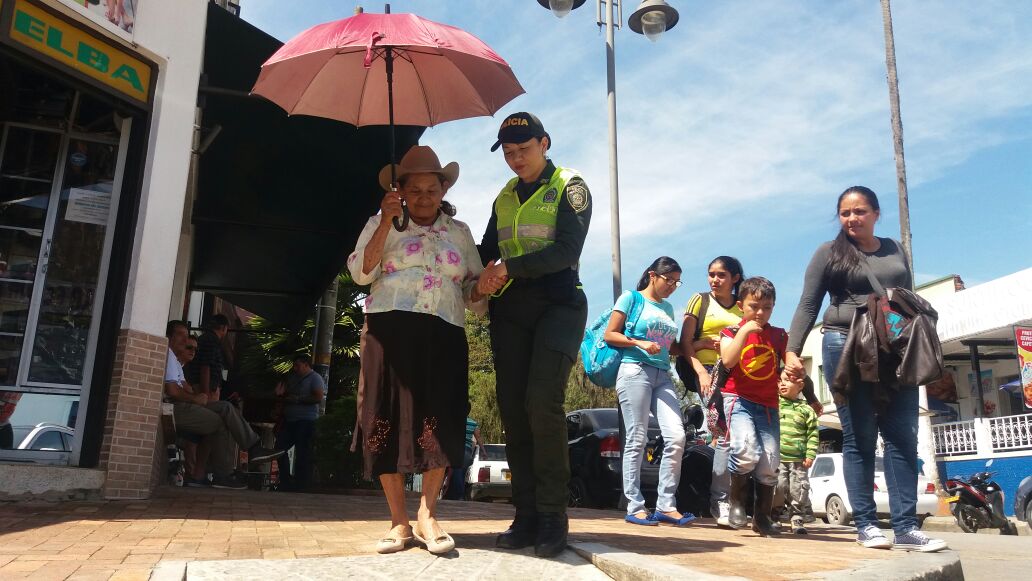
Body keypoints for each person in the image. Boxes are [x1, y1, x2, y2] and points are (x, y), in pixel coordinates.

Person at [783, 185, 947, 552]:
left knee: (902, 436)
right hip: (846, 344)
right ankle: (867, 525)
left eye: (859, 211)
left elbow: (906, 299)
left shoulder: (894, 248)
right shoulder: (828, 252)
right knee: (860, 437)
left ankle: (906, 528)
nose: (852, 218)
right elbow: (808, 304)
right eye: (845, 213)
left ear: (875, 214)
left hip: (894, 350)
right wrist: (792, 350)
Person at [347, 145, 486, 555]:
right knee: (383, 415)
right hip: (388, 332)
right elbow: (360, 273)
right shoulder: (381, 222)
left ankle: (428, 514)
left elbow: (473, 293)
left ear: (443, 191)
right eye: (415, 190)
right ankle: (398, 522)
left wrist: (485, 285)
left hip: (444, 332)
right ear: (401, 191)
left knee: (441, 417)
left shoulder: (459, 233)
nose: (424, 198)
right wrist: (385, 222)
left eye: (432, 190)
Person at [477, 112, 591, 558]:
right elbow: (486, 252)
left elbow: (566, 250)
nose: (516, 159)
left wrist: (508, 268)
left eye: (523, 150)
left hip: (558, 304)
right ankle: (525, 515)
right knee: (513, 410)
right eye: (508, 153)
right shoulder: (504, 196)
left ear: (545, 143)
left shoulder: (570, 185)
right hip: (511, 310)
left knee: (541, 403)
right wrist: (447, 236)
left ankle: (551, 515)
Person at [604, 257, 694, 527]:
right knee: (637, 438)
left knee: (676, 436)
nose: (673, 286)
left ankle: (666, 505)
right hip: (635, 370)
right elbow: (610, 334)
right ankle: (635, 506)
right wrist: (639, 343)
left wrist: (698, 344)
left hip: (663, 375)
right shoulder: (631, 298)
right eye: (669, 280)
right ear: (653, 275)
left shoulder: (667, 308)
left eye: (677, 282)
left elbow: (670, 347)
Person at [164, 320, 283, 490]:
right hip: (174, 407)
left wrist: (195, 396)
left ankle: (254, 448)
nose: (184, 339)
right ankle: (223, 475)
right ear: (169, 336)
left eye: (186, 335)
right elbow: (173, 391)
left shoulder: (175, 361)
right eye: (180, 335)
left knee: (226, 407)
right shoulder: (168, 354)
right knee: (221, 423)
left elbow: (185, 387)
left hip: (185, 403)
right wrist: (194, 398)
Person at [678, 256, 744, 526]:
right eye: (711, 274)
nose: (714, 280)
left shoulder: (743, 305)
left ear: (735, 278)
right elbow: (684, 342)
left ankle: (743, 498)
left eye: (721, 275)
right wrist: (701, 373)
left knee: (742, 434)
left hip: (738, 374)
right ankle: (721, 500)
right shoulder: (700, 300)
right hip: (707, 370)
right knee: (725, 430)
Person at [719, 276, 786, 537]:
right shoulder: (730, 332)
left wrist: (792, 373)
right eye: (754, 306)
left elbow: (787, 361)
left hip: (768, 404)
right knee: (745, 449)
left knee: (770, 460)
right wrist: (745, 331)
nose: (760, 313)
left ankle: (762, 516)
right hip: (739, 399)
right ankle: (736, 503)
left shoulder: (779, 335)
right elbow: (728, 360)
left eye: (767, 307)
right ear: (740, 306)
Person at [275, 354, 325, 492]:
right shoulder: (293, 378)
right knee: (279, 447)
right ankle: (285, 480)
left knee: (302, 452)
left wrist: (298, 399)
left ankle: (301, 483)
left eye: (298, 365)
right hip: (290, 420)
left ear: (306, 364)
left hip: (305, 420)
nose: (295, 368)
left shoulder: (315, 378)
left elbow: (318, 397)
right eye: (294, 365)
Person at [774, 375, 818, 535]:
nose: (782, 383)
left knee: (798, 489)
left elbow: (813, 434)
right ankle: (774, 515)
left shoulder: (806, 410)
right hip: (777, 459)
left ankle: (797, 518)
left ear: (800, 385)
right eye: (780, 380)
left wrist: (810, 454)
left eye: (787, 380)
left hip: (799, 460)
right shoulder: (774, 405)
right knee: (777, 487)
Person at [185, 314, 229, 400]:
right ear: (224, 327)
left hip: (199, 385)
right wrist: (205, 394)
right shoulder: (212, 341)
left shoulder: (203, 338)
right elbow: (205, 366)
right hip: (208, 388)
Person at [444, 416, 481, 501]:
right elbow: (478, 438)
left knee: (457, 473)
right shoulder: (473, 423)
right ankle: (458, 495)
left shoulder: (456, 421)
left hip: (457, 450)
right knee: (462, 474)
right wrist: (483, 450)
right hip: (467, 452)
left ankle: (459, 495)